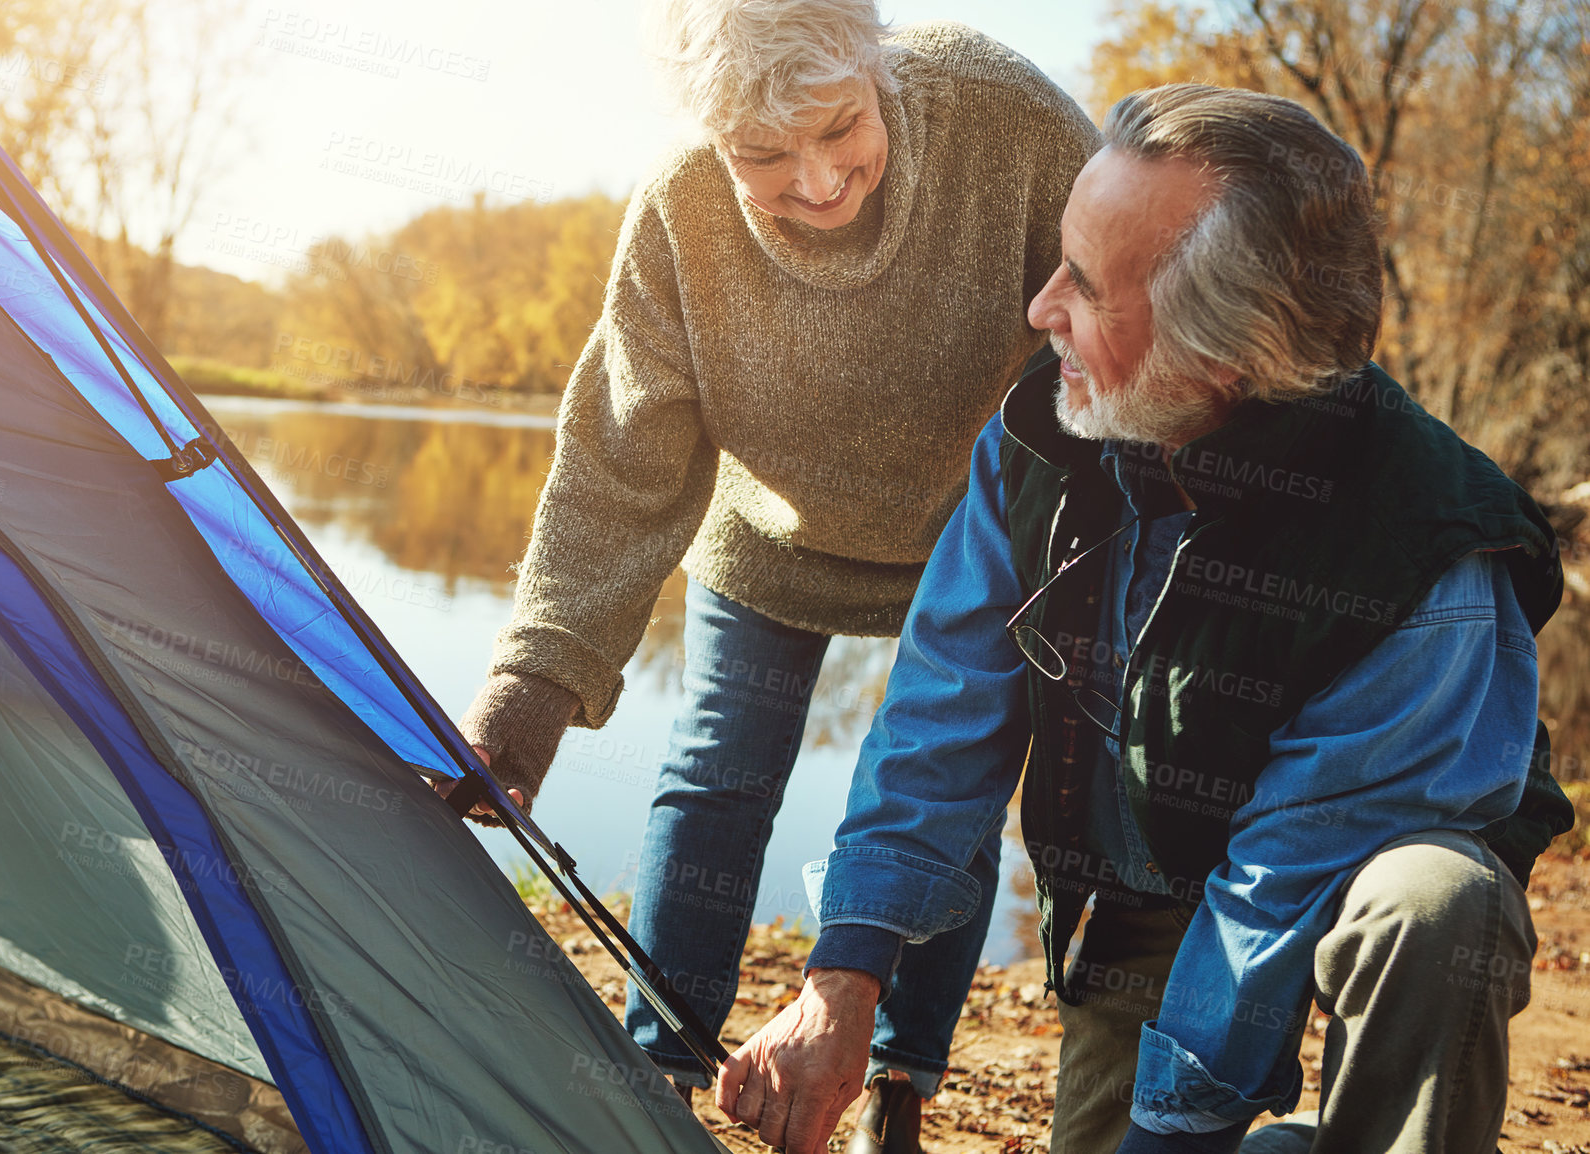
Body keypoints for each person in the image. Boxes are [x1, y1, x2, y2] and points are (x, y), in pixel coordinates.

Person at [717, 83, 1575, 1154]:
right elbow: (940, 717)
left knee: (1439, 906)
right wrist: (842, 981)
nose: (1040, 308)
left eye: (1084, 283)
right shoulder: (1044, 429)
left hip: (1344, 871)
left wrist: (1173, 1127)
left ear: (1225, 352)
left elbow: (1274, 893)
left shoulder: (1425, 549)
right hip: (1148, 877)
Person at [454, 0, 1098, 1146]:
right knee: (716, 769)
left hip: (968, 530)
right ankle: (661, 1061)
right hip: (766, 527)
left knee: (944, 789)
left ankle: (896, 1076)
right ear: (711, 137)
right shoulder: (675, 213)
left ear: (875, 69)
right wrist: (532, 686)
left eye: (840, 129)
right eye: (761, 155)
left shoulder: (1012, 123)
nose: (814, 180)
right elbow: (619, 462)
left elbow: (1110, 320)